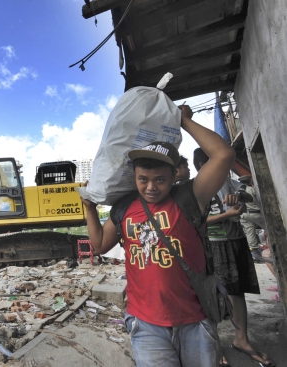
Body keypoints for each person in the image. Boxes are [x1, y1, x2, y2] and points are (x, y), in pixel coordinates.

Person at [82, 105, 233, 367]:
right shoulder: (123, 207)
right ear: (135, 176)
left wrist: (185, 121)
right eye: (143, 179)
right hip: (146, 324)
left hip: (194, 320)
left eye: (160, 180)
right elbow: (101, 244)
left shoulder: (189, 197)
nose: (151, 187)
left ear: (174, 175)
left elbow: (223, 154)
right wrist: (90, 209)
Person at [194, 149, 274, 367]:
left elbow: (247, 194)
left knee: (237, 293)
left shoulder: (228, 182)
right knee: (211, 296)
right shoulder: (195, 188)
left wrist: (239, 198)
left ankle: (242, 340)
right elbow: (195, 221)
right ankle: (215, 345)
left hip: (235, 241)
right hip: (212, 246)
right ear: (203, 165)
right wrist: (226, 215)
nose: (224, 166)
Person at [238, 175, 272, 264]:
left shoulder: (238, 190)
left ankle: (255, 254)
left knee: (250, 233)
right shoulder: (252, 189)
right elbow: (260, 202)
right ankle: (274, 249)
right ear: (249, 181)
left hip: (243, 214)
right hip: (255, 213)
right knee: (270, 230)